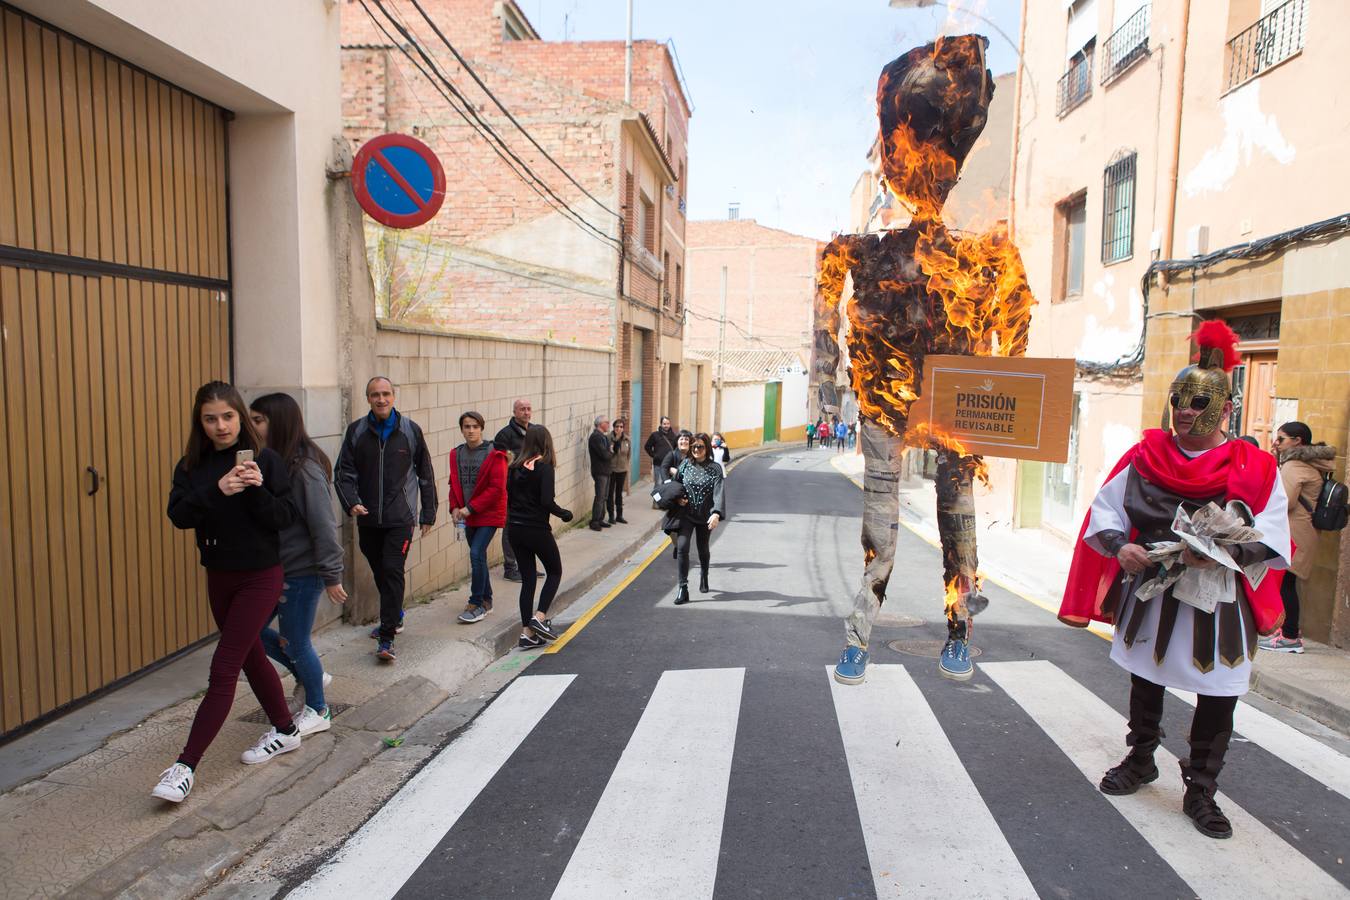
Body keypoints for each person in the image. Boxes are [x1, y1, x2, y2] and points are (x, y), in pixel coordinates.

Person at [1059, 321, 1290, 840]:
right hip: (1155, 593)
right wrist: (1123, 547)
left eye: (1197, 400)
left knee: (1218, 693)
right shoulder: (1146, 457)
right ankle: (1142, 759)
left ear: (1223, 409)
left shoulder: (1255, 467)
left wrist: (1224, 554)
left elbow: (1275, 537)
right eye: (1179, 398)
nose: (1185, 409)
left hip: (1218, 602)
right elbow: (1105, 512)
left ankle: (1202, 790)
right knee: (1145, 678)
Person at [154, 382, 301, 803]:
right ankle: (286, 730)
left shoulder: (267, 461)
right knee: (252, 657)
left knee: (224, 667)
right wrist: (216, 491)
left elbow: (284, 518)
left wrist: (256, 489)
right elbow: (179, 516)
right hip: (219, 575)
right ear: (200, 422)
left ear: (240, 416)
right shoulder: (192, 467)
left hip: (260, 576)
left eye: (228, 416)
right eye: (210, 418)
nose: (221, 426)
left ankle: (185, 766)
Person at [249, 393, 347, 737]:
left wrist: (332, 575)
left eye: (258, 420)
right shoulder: (273, 463)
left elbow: (323, 525)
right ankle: (310, 675)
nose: (252, 427)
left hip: (303, 572)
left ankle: (318, 709)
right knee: (251, 633)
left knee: (295, 641)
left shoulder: (305, 468)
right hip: (276, 570)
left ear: (278, 423)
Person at [334, 377, 437, 663]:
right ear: (368, 398)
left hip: (400, 518)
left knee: (392, 570)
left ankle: (387, 636)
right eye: (375, 395)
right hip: (367, 518)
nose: (381, 399)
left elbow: (425, 473)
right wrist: (352, 501)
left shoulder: (410, 431)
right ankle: (396, 613)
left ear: (394, 396)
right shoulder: (357, 431)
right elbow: (343, 473)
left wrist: (428, 512)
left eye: (386, 394)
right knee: (381, 571)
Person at [1261, 421, 1336, 653]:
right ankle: (1285, 630)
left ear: (1297, 441)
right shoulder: (1309, 464)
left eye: (1281, 439)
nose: (1276, 442)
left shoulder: (1294, 465)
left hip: (1293, 533)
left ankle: (1290, 636)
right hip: (1303, 531)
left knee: (1286, 584)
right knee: (1287, 583)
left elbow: (1286, 500)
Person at [506, 426, 574, 648]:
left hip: (514, 529)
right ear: (546, 442)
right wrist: (564, 513)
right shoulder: (544, 468)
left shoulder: (514, 467)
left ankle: (527, 634)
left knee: (528, 580)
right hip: (536, 529)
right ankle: (540, 617)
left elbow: (509, 496)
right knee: (554, 571)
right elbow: (546, 501)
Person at [450, 411, 509, 625]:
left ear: (481, 428)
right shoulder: (456, 453)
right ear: (462, 429)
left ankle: (475, 603)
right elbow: (453, 484)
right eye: (467, 426)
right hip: (468, 514)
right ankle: (487, 601)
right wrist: (455, 507)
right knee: (480, 557)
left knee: (476, 554)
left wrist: (470, 508)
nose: (471, 430)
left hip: (489, 514)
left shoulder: (494, 454)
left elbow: (496, 488)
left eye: (475, 426)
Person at [672, 433, 725, 605]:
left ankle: (704, 573)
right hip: (686, 514)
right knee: (682, 547)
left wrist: (716, 513)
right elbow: (675, 485)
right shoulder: (685, 465)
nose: (695, 449)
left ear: (707, 448)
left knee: (703, 549)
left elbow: (719, 492)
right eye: (693, 446)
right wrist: (677, 498)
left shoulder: (715, 468)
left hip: (705, 516)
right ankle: (683, 588)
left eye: (700, 446)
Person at [492, 399, 541, 582]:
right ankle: (510, 567)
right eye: (522, 409)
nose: (526, 412)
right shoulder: (504, 436)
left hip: (531, 490)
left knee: (528, 528)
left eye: (529, 409)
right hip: (512, 490)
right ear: (514, 412)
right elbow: (500, 466)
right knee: (511, 529)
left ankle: (526, 566)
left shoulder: (535, 431)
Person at [588, 415, 613, 531]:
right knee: (600, 496)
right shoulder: (595, 437)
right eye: (607, 422)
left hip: (606, 470)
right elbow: (604, 454)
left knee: (604, 496)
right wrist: (610, 452)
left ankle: (600, 519)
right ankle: (594, 521)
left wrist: (609, 452)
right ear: (600, 424)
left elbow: (608, 453)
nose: (608, 424)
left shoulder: (603, 437)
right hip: (600, 471)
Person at [607, 417, 631, 525]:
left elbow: (628, 455)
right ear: (613, 428)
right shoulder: (608, 438)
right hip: (611, 470)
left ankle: (619, 516)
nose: (619, 429)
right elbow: (608, 454)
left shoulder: (627, 439)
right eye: (617, 427)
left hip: (622, 469)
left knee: (619, 493)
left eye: (621, 427)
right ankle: (611, 516)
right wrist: (615, 440)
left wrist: (625, 466)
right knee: (610, 493)